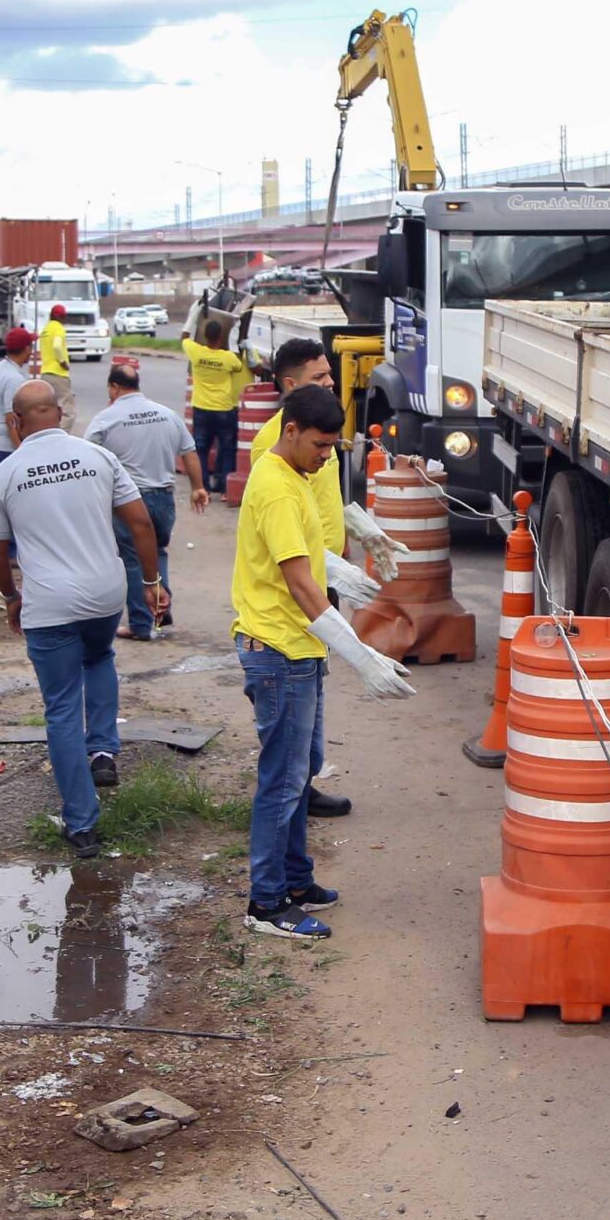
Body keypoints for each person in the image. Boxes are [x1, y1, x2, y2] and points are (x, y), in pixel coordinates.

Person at [233, 384, 412, 940]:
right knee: (283, 783)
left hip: (297, 647)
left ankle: (295, 878)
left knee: (297, 772)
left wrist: (350, 572)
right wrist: (363, 658)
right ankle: (265, 904)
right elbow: (300, 585)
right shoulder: (280, 488)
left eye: (334, 446)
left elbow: (309, 555)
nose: (326, 455)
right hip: (280, 649)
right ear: (290, 431)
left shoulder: (300, 476)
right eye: (318, 445)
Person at [0, 380, 170, 858]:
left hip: (49, 604)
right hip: (105, 595)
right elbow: (141, 522)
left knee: (62, 707)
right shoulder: (97, 458)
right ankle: (103, 750)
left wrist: (10, 596)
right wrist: (149, 582)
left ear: (14, 423)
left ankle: (82, 824)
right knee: (100, 656)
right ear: (60, 414)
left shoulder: (5, 474)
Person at [247, 338, 394, 818]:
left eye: (330, 374)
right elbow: (284, 530)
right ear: (291, 387)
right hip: (299, 585)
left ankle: (301, 782)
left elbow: (319, 501)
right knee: (297, 689)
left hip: (322, 570)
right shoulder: (279, 443)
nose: (332, 382)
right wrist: (363, 654)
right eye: (320, 377)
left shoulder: (317, 435)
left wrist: (360, 527)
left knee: (313, 682)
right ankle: (296, 789)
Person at [86, 360, 206, 641]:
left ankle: (141, 624)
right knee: (158, 551)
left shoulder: (106, 418)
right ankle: (161, 612)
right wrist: (198, 487)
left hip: (129, 502)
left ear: (113, 387)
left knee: (132, 559)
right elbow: (189, 451)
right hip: (163, 499)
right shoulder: (166, 414)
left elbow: (89, 459)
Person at [181, 320, 251, 494]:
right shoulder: (227, 358)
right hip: (224, 410)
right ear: (221, 337)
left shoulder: (196, 352)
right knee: (227, 449)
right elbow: (238, 366)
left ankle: (203, 486)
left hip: (201, 409)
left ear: (205, 337)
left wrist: (195, 317)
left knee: (201, 449)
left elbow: (184, 337)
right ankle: (225, 486)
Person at [0, 328, 35, 477]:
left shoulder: (0, 368)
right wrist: (21, 450)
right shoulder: (13, 378)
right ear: (26, 349)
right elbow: (11, 418)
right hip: (6, 448)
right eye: (31, 346)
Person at [40, 305, 73, 429]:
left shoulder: (46, 329)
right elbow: (57, 346)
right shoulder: (58, 328)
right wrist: (62, 361)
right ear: (60, 316)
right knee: (68, 411)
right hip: (58, 373)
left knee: (49, 410)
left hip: (45, 373)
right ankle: (61, 438)